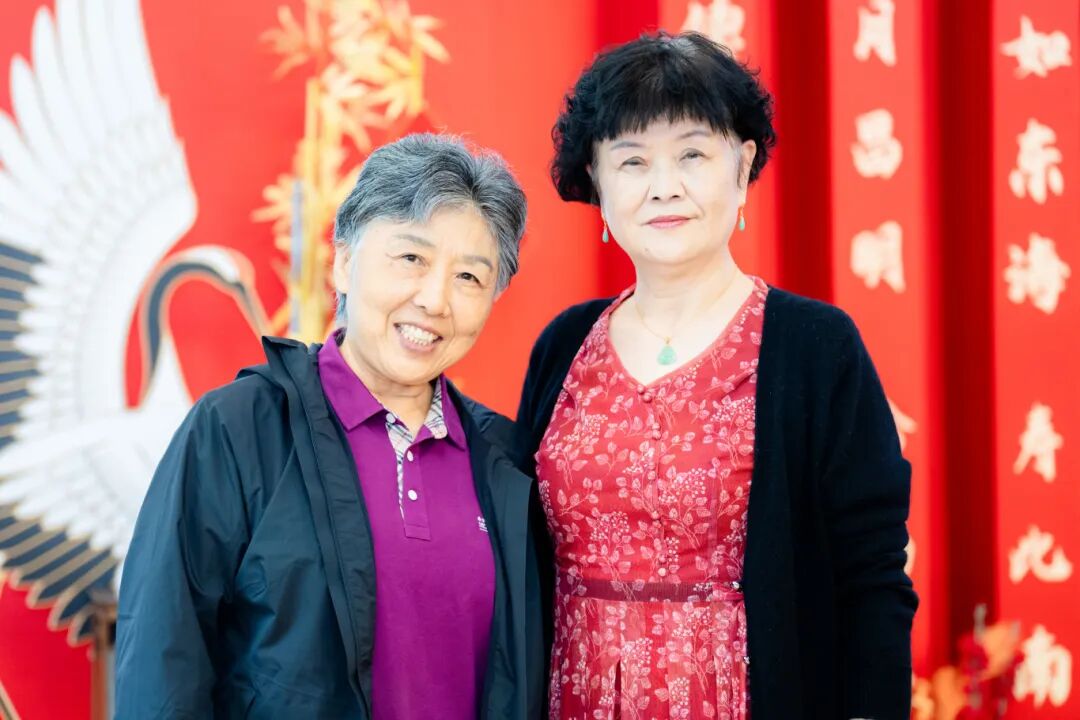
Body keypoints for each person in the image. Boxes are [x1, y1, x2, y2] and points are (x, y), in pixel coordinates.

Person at [515, 32, 917, 720]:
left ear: (742, 166)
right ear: (599, 183)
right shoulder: (563, 345)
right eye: (632, 161)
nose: (663, 186)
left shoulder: (815, 347)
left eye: (692, 155)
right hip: (574, 697)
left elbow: (872, 571)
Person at [116, 133, 544, 719]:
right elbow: (163, 663)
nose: (435, 300)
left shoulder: (504, 460)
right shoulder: (238, 430)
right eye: (412, 259)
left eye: (469, 277)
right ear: (344, 262)